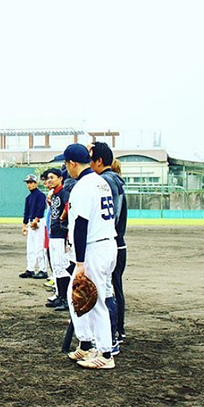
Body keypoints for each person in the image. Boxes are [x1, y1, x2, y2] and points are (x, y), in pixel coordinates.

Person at [63, 143, 118, 370]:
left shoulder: (83, 186)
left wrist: (80, 262)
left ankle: (105, 354)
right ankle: (86, 344)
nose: (66, 168)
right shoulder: (99, 181)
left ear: (72, 163)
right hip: (105, 244)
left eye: (66, 163)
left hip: (94, 248)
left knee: (95, 302)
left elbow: (81, 224)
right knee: (74, 295)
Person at [89, 143, 128, 347]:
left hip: (110, 242)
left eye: (90, 158)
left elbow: (112, 217)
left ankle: (113, 334)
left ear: (99, 161)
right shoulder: (113, 179)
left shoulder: (106, 181)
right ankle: (117, 331)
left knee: (107, 291)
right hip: (116, 243)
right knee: (113, 288)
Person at [44, 168, 71, 311]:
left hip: (61, 234)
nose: (49, 180)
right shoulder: (54, 194)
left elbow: (68, 206)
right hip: (53, 234)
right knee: (55, 267)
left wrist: (62, 218)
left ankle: (66, 299)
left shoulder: (64, 192)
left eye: (52, 177)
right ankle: (59, 296)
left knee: (62, 266)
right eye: (48, 178)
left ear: (60, 179)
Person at [19, 174, 47, 279]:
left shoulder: (41, 195)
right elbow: (26, 212)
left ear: (36, 183)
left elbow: (41, 209)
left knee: (39, 247)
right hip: (31, 223)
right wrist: (24, 225)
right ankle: (30, 269)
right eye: (27, 183)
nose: (29, 185)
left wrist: (36, 220)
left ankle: (43, 270)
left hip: (39, 222)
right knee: (30, 248)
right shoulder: (28, 197)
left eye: (31, 182)